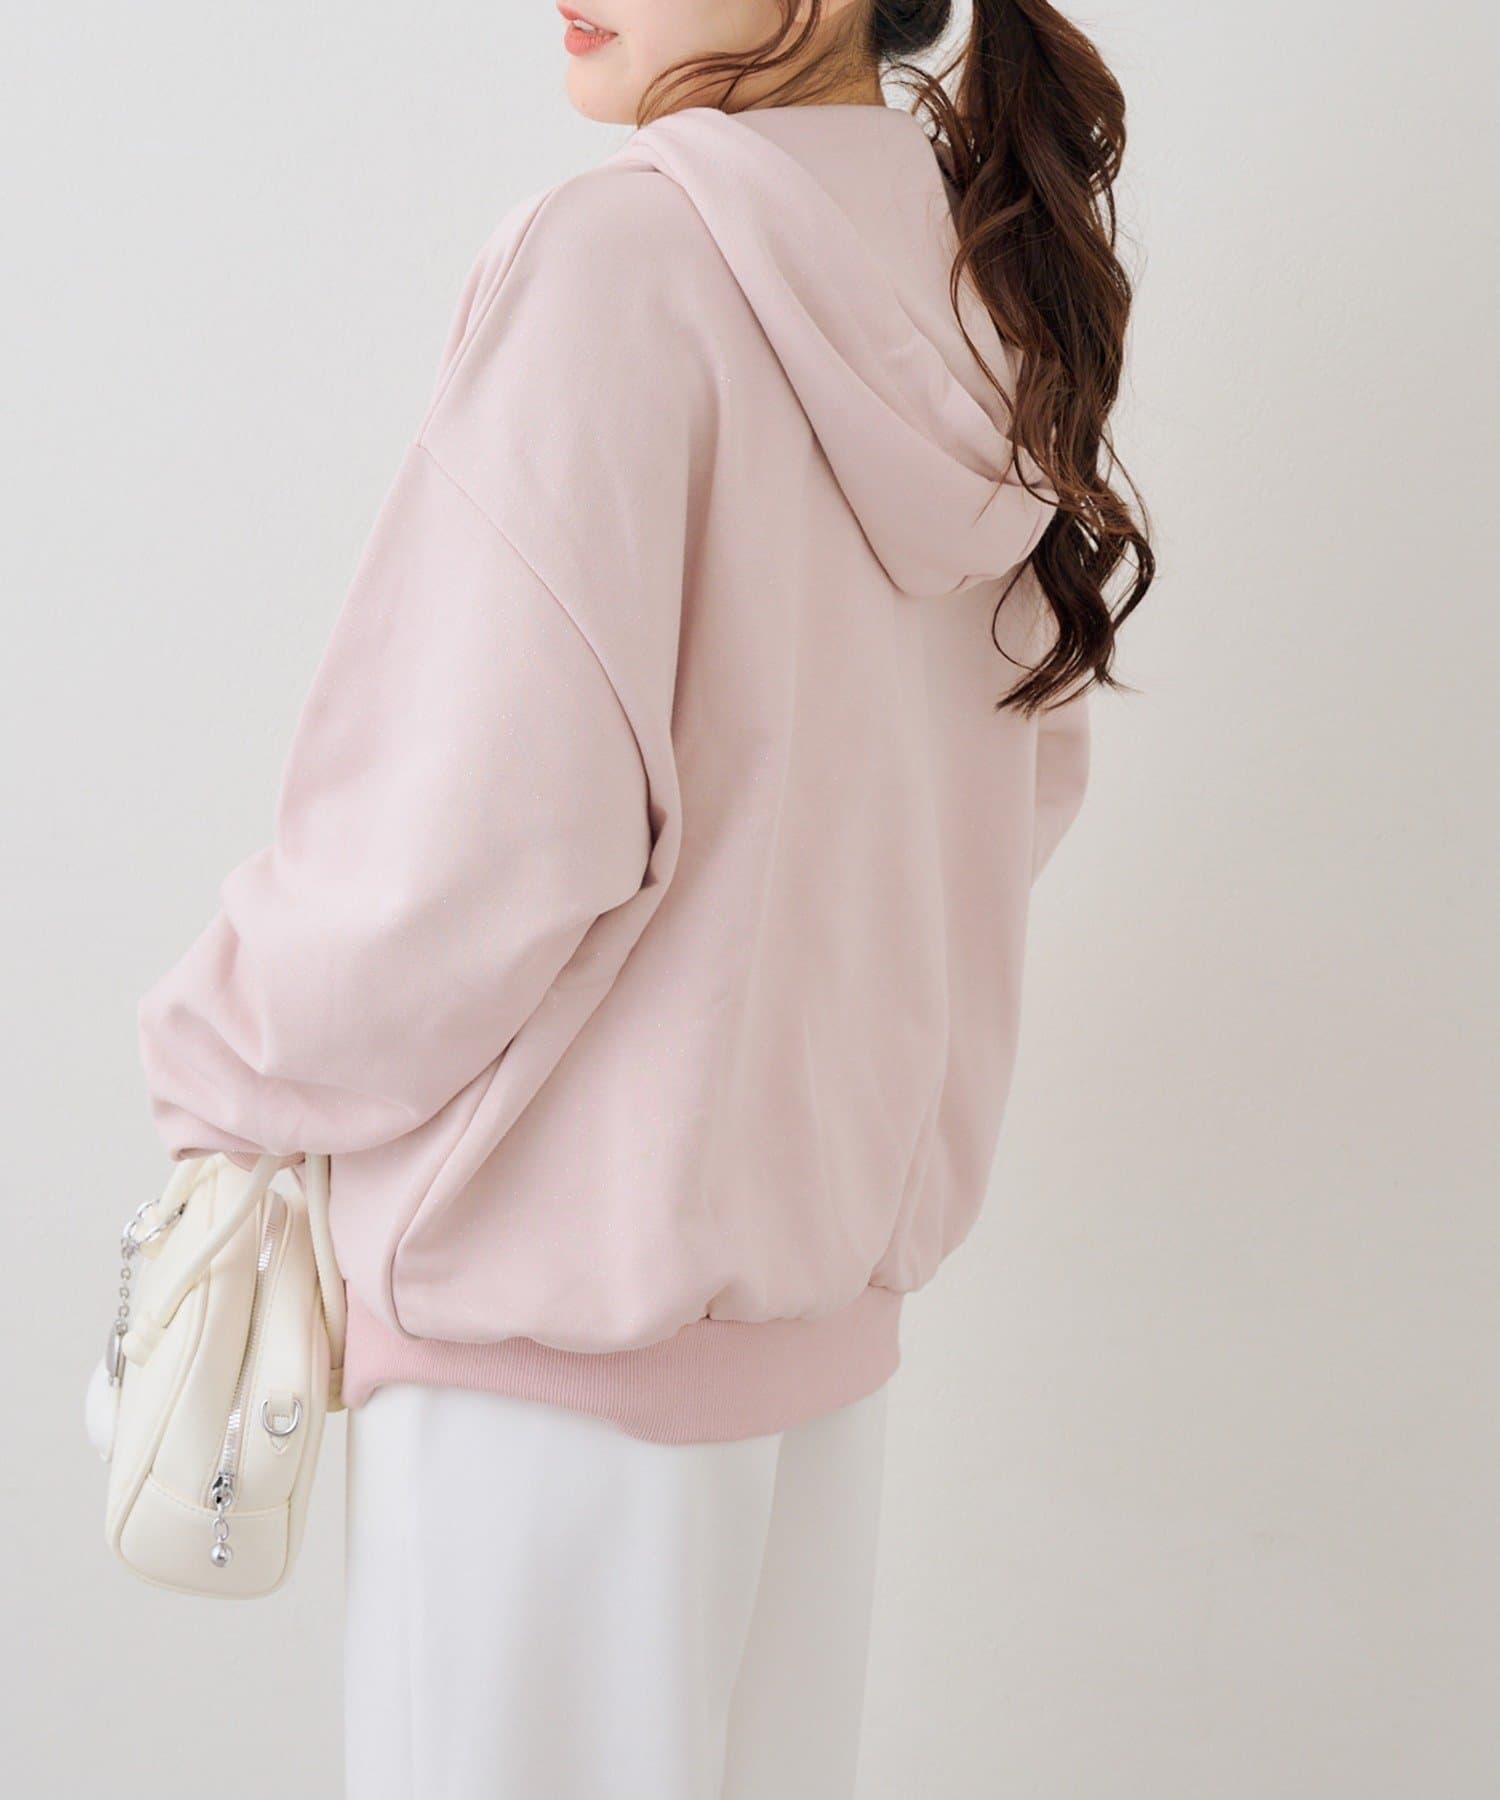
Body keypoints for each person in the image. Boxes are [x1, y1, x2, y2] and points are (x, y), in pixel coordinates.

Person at [136, 1, 1151, 1793]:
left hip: (553, 1359)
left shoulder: (619, 261)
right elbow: (1012, 784)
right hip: (814, 1345)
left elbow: (469, 840)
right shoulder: (980, 278)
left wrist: (218, 1067)